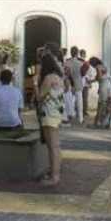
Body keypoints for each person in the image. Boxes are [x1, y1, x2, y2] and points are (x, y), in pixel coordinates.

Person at [36, 52, 64, 186]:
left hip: (48, 114)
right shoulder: (59, 77)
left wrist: (35, 84)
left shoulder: (48, 78)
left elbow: (39, 97)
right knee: (56, 146)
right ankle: (54, 172)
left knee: (52, 146)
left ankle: (54, 176)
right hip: (57, 114)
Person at [62, 45, 84, 124]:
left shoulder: (66, 62)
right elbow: (83, 74)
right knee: (79, 102)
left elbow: (65, 74)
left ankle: (68, 116)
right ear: (77, 53)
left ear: (71, 53)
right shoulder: (81, 63)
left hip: (69, 84)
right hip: (78, 84)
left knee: (68, 101)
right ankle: (80, 119)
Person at [94, 64, 111, 128]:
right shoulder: (105, 68)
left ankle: (100, 122)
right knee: (107, 104)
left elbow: (99, 78)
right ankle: (105, 121)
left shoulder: (98, 67)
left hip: (104, 87)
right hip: (109, 87)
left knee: (102, 104)